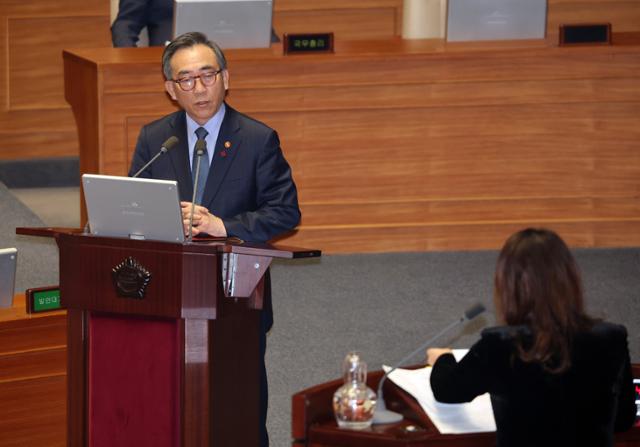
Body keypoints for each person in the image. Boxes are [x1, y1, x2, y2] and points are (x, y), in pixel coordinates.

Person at [128, 31, 301, 446]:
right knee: (168, 400)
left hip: (236, 292)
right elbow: (134, 203)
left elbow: (286, 212)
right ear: (171, 89)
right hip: (168, 287)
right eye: (185, 79)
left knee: (237, 404)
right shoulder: (156, 138)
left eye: (207, 75)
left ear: (226, 77)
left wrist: (223, 225)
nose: (199, 87)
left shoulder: (258, 139)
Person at [427, 228, 636, 446]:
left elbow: (448, 390)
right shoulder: (612, 338)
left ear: (507, 284)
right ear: (570, 278)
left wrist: (442, 358)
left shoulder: (500, 344)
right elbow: (623, 419)